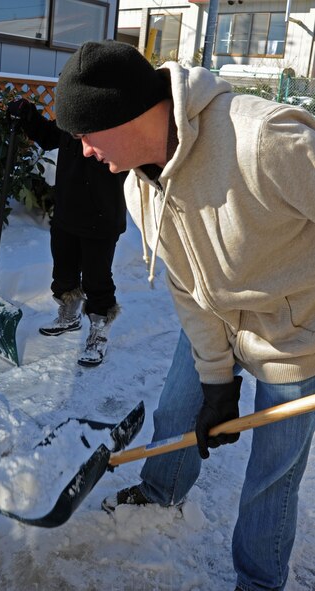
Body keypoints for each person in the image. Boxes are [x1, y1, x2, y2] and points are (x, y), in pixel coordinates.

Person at [54, 40, 315, 591]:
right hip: (219, 315)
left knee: (273, 474)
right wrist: (217, 380)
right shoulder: (139, 192)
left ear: (123, 116)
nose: (82, 151)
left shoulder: (262, 139)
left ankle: (259, 582)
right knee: (179, 408)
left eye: (86, 134)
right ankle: (161, 490)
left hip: (297, 335)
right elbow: (190, 292)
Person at [7, 97, 127, 366]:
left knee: (97, 279)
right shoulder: (72, 120)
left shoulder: (117, 122)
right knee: (63, 273)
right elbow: (49, 136)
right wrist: (28, 115)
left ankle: (98, 330)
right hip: (67, 212)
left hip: (101, 216)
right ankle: (69, 316)